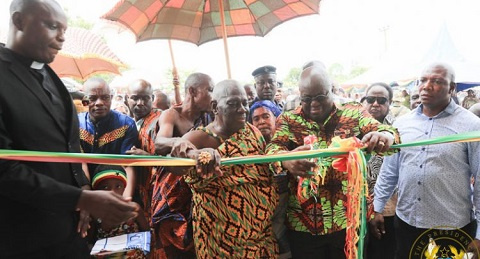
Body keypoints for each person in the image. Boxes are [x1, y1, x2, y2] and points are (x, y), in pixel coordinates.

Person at [0, 0, 139, 257]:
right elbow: (4, 168)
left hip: (68, 231)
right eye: (53, 26)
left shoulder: (49, 74)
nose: (62, 37)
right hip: (20, 237)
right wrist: (80, 199)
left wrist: (83, 191)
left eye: (64, 29)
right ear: (19, 21)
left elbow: (69, 147)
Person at [266, 66, 399, 258]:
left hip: (347, 222)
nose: (314, 105)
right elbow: (271, 150)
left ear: (332, 90)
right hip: (303, 224)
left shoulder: (354, 113)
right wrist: (287, 161)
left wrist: (384, 135)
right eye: (307, 99)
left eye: (320, 97)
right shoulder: (288, 120)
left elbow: (388, 132)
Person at [372, 62, 480, 259]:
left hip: (450, 228)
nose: (426, 86)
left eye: (437, 81)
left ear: (452, 88)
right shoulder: (402, 124)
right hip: (406, 223)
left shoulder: (472, 126)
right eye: (422, 80)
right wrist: (377, 208)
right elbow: (390, 171)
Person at [168, 79, 278, 257]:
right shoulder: (199, 138)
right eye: (233, 104)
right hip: (219, 241)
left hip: (260, 238)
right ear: (215, 106)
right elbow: (174, 166)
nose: (242, 109)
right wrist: (193, 153)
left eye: (244, 103)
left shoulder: (252, 131)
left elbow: (264, 172)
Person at [151, 72, 214, 258]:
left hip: (197, 191)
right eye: (210, 90)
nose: (214, 95)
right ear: (192, 91)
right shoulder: (171, 114)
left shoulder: (209, 118)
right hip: (171, 191)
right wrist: (179, 142)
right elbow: (160, 142)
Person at [78, 78, 138, 198]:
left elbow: (127, 164)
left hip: (117, 188)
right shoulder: (75, 123)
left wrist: (125, 200)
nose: (99, 103)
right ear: (84, 101)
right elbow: (80, 161)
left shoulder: (126, 123)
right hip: (84, 187)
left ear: (111, 98)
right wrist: (88, 198)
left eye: (105, 97)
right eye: (93, 98)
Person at [360, 82, 397, 259]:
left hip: (388, 211)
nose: (375, 104)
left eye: (381, 100)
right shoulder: (352, 129)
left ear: (389, 103)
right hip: (357, 210)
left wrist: (378, 209)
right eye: (370, 99)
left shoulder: (397, 132)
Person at [250, 100, 290, 258]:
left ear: (277, 118)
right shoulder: (250, 147)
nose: (261, 122)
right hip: (260, 217)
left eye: (266, 116)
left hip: (288, 214)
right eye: (256, 119)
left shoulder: (288, 143)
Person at [89, 165, 150, 259]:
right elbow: (90, 241)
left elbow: (147, 232)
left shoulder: (134, 209)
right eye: (105, 187)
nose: (112, 192)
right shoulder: (96, 214)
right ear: (97, 191)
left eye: (118, 186)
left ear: (124, 188)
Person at [124, 79, 162, 222]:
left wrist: (147, 156)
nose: (140, 102)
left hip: (158, 190)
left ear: (152, 99)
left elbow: (173, 159)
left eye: (145, 98)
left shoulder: (161, 120)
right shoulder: (128, 122)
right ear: (128, 99)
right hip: (140, 190)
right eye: (135, 98)